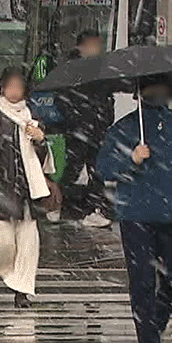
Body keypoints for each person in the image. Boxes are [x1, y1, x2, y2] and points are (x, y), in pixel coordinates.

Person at [96, 74, 172, 343]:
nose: (156, 93)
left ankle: (153, 324)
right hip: (136, 215)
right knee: (142, 282)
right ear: (140, 92)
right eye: (150, 88)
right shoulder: (124, 129)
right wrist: (131, 159)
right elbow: (104, 168)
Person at [0, 68, 58, 309]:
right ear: (2, 89)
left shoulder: (31, 118)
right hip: (2, 191)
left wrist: (40, 139)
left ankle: (21, 291)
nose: (14, 91)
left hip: (28, 192)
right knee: (5, 243)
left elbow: (40, 160)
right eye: (9, 86)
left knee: (29, 245)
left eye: (18, 87)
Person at [56, 30, 114, 227]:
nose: (98, 49)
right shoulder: (71, 69)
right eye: (94, 45)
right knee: (72, 169)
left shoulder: (99, 68)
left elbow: (106, 96)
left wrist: (105, 115)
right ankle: (56, 203)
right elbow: (63, 98)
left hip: (96, 128)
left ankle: (95, 209)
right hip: (79, 129)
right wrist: (77, 119)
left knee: (97, 170)